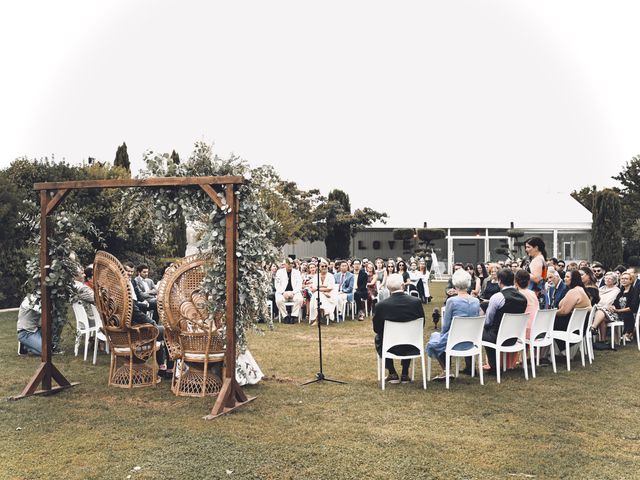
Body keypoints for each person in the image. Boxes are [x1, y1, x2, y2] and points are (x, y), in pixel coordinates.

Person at [426, 269, 480, 380]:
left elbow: (445, 326)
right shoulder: (476, 301)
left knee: (434, 339)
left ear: (455, 283)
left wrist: (443, 335)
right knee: (437, 337)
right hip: (471, 340)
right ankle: (447, 370)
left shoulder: (452, 301)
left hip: (454, 340)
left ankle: (446, 370)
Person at [373, 273, 424, 384]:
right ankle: (405, 373)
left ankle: (392, 372)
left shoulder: (381, 305)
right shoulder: (416, 302)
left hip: (390, 345)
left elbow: (377, 328)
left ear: (387, 287)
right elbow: (422, 324)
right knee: (409, 335)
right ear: (403, 285)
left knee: (378, 338)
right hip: (411, 344)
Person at [482, 268, 527, 373]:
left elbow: (488, 320)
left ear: (500, 281)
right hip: (515, 336)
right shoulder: (523, 298)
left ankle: (493, 366)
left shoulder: (497, 297)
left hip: (497, 336)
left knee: (482, 331)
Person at [553, 270, 591, 355]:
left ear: (574, 279)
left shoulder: (574, 292)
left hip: (571, 327)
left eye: (567, 277)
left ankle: (545, 354)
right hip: (578, 325)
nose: (564, 279)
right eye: (565, 276)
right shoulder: (580, 289)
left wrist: (550, 314)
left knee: (546, 323)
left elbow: (563, 311)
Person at [515, 270, 539, 363]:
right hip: (536, 327)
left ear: (516, 281)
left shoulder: (518, 294)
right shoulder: (532, 293)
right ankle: (523, 357)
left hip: (525, 330)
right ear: (529, 282)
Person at [591, 271, 622, 340]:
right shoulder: (601, 289)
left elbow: (608, 302)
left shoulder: (616, 290)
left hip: (611, 312)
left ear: (614, 280)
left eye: (609, 279)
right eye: (606, 278)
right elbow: (596, 300)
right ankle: (602, 340)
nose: (607, 280)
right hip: (598, 311)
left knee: (601, 311)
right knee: (601, 319)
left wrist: (600, 305)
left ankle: (593, 327)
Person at [309, 258, 337, 325]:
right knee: (317, 295)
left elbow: (329, 288)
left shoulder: (331, 276)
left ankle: (317, 319)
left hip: (329, 295)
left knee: (317, 294)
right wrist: (323, 288)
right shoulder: (316, 276)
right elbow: (313, 287)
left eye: (325, 266)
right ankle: (319, 317)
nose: (324, 267)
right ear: (319, 267)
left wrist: (318, 288)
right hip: (320, 295)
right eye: (322, 266)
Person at [275, 258, 304, 324]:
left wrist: (293, 292)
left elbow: (299, 285)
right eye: (289, 263)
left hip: (294, 292)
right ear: (285, 265)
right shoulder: (279, 272)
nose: (290, 265)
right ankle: (285, 316)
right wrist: (283, 292)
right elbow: (277, 285)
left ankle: (293, 316)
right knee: (279, 300)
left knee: (299, 299)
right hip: (282, 292)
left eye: (291, 263)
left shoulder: (297, 272)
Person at [524, 237, 548, 307]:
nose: (526, 249)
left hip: (535, 295)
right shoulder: (541, 258)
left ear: (536, 248)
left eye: (528, 247)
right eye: (526, 247)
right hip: (540, 293)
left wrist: (522, 272)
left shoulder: (537, 260)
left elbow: (537, 279)